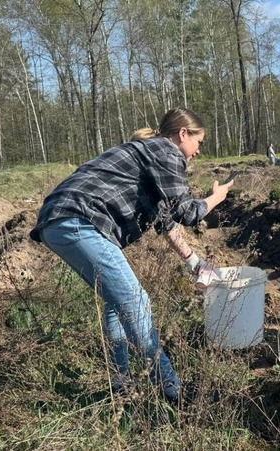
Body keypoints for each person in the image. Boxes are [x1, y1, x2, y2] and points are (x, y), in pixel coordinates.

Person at [29, 108, 233, 403]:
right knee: (135, 301)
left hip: (60, 221)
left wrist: (195, 263)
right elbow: (187, 212)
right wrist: (217, 197)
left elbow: (167, 222)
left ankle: (120, 386)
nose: (198, 152)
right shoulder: (165, 149)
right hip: (78, 220)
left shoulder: (148, 162)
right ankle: (171, 390)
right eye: (198, 143)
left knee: (117, 304)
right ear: (183, 134)